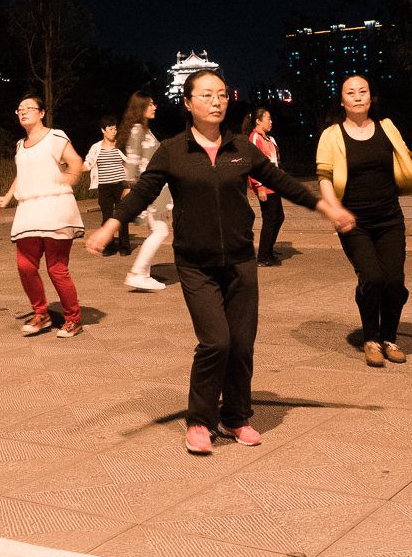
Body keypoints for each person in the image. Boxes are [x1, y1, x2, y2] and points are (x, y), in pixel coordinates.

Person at [87, 70, 356, 455]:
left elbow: (282, 182)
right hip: (196, 265)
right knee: (217, 341)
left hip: (241, 260)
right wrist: (110, 226)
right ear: (188, 103)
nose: (216, 101)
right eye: (207, 95)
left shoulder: (241, 148)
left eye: (222, 95)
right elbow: (142, 192)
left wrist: (325, 207)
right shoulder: (174, 151)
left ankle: (235, 416)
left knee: (242, 344)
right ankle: (199, 420)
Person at [315, 76, 412, 367]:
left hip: (389, 218)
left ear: (370, 98)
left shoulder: (387, 128)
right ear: (342, 101)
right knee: (373, 278)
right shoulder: (331, 135)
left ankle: (389, 338)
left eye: (362, 92)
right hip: (354, 221)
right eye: (350, 93)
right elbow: (325, 177)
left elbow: (410, 161)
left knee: (393, 280)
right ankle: (370, 338)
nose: (357, 97)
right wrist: (334, 210)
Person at [0, 95, 86, 337]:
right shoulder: (19, 145)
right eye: (19, 109)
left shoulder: (55, 136)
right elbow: (22, 174)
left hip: (55, 206)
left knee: (56, 268)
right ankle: (41, 313)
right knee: (24, 265)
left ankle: (72, 318)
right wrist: (7, 195)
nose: (23, 112)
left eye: (29, 108)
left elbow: (75, 161)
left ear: (42, 113)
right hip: (29, 210)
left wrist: (72, 176)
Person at [120, 91, 169, 290]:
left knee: (157, 229)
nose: (154, 106)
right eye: (150, 104)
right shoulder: (138, 130)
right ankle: (138, 272)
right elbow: (133, 159)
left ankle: (143, 273)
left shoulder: (144, 130)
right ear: (141, 108)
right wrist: (129, 187)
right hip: (149, 189)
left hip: (154, 188)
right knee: (160, 230)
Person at [83, 116, 130, 256]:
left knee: (122, 215)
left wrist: (129, 185)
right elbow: (88, 163)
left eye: (115, 128)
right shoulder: (96, 148)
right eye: (110, 129)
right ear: (103, 130)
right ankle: (109, 246)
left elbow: (131, 165)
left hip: (120, 185)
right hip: (104, 186)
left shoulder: (121, 145)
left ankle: (124, 246)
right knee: (107, 216)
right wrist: (73, 170)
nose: (114, 131)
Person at [245, 109, 284, 266]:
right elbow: (252, 163)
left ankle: (268, 251)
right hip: (265, 185)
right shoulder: (254, 137)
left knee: (278, 218)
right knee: (270, 219)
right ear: (258, 121)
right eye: (268, 118)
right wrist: (259, 186)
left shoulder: (269, 138)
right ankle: (263, 256)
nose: (271, 121)